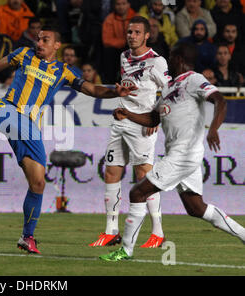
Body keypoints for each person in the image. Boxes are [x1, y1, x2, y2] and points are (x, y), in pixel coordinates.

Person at [0, 27, 137, 254]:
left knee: (38, 183)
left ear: (56, 46)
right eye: (38, 39)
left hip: (30, 128)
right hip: (10, 109)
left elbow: (91, 89)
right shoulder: (24, 54)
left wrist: (115, 92)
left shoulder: (63, 71)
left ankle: (27, 237)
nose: (39, 43)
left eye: (45, 39)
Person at [100, 42, 245, 261]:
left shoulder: (194, 79)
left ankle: (126, 250)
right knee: (196, 208)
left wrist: (213, 129)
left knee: (137, 192)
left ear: (178, 58)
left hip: (184, 154)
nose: (167, 61)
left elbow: (220, 100)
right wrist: (127, 113)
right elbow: (153, 118)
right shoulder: (169, 87)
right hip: (179, 155)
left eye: (170, 57)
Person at [90, 16, 171, 248]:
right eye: (129, 32)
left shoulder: (158, 61)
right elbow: (130, 85)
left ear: (147, 35)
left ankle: (157, 231)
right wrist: (121, 90)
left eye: (137, 32)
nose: (131, 36)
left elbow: (169, 91)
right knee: (111, 172)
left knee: (144, 177)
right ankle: (111, 230)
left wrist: (158, 116)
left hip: (143, 124)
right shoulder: (123, 57)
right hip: (121, 118)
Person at [102, 0, 136, 83]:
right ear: (114, 6)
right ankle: (111, 82)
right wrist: (123, 42)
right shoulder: (110, 19)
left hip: (132, 49)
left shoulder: (136, 17)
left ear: (128, 5)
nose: (121, 7)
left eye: (123, 4)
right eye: (118, 4)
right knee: (108, 52)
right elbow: (107, 40)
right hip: (116, 50)